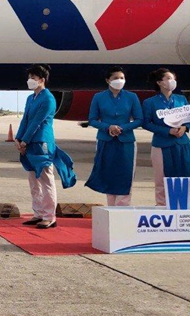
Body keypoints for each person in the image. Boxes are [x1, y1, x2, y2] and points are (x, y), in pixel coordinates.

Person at [14, 64, 76, 229]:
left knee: (45, 179)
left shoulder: (48, 98)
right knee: (33, 180)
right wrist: (18, 138)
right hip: (28, 142)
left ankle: (49, 216)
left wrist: (25, 141)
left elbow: (37, 122)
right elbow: (25, 119)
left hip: (42, 143)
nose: (30, 81)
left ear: (42, 80)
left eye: (33, 78)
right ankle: (38, 213)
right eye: (29, 78)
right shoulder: (30, 98)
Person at [85, 66, 143, 205]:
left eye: (122, 78)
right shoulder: (99, 97)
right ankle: (111, 208)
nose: (119, 80)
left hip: (126, 140)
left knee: (125, 174)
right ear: (108, 80)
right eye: (116, 78)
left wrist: (122, 128)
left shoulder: (131, 97)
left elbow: (139, 119)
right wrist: (107, 127)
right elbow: (92, 120)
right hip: (106, 139)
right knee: (108, 174)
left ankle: (123, 208)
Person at [143, 68, 190, 206]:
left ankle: (183, 207)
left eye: (173, 78)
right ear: (159, 82)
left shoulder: (181, 99)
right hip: (162, 144)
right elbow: (146, 123)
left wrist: (185, 128)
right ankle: (162, 206)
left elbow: (188, 118)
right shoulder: (150, 102)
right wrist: (167, 131)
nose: (172, 81)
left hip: (182, 143)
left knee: (184, 176)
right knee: (162, 178)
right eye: (169, 78)